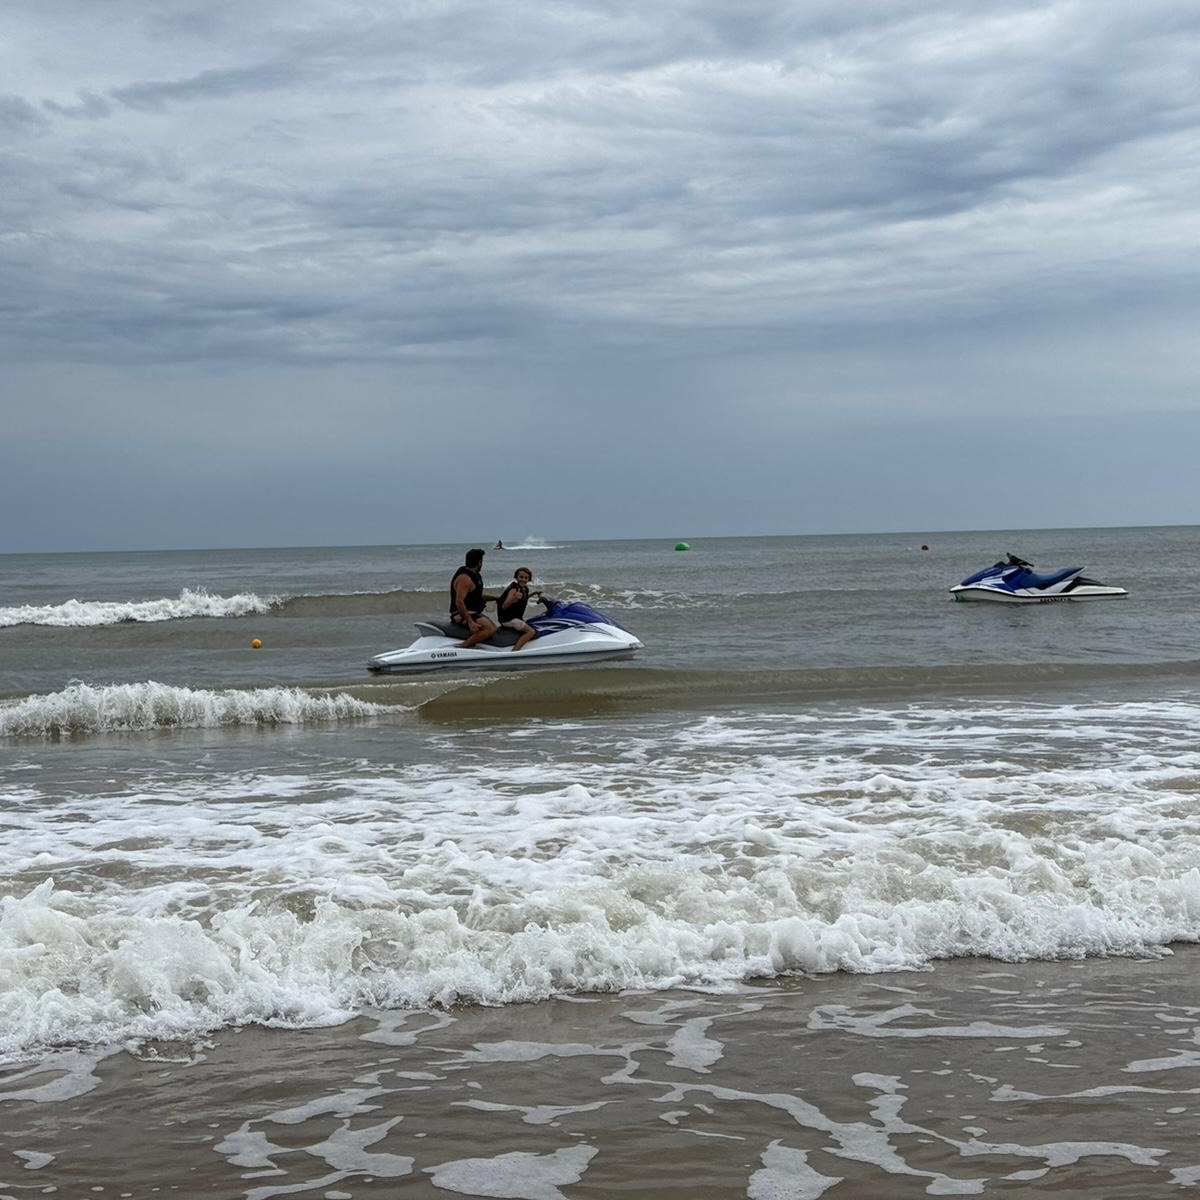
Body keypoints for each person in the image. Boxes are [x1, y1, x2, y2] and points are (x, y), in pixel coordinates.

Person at [448, 548, 498, 648]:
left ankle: (477, 646)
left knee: (495, 628)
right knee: (490, 629)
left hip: (472, 612)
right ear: (479, 562)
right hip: (460, 614)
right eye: (482, 561)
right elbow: (459, 601)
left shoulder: (475, 575)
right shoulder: (465, 579)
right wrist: (470, 622)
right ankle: (462, 647)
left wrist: (497, 598)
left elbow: (477, 596)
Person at [495, 566, 538, 651]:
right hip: (507, 619)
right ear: (516, 577)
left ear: (529, 579)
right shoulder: (514, 589)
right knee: (531, 632)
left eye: (526, 578)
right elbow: (504, 606)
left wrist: (533, 594)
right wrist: (514, 598)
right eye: (521, 577)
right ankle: (514, 651)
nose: (523, 579)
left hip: (515, 617)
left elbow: (522, 599)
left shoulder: (524, 589)